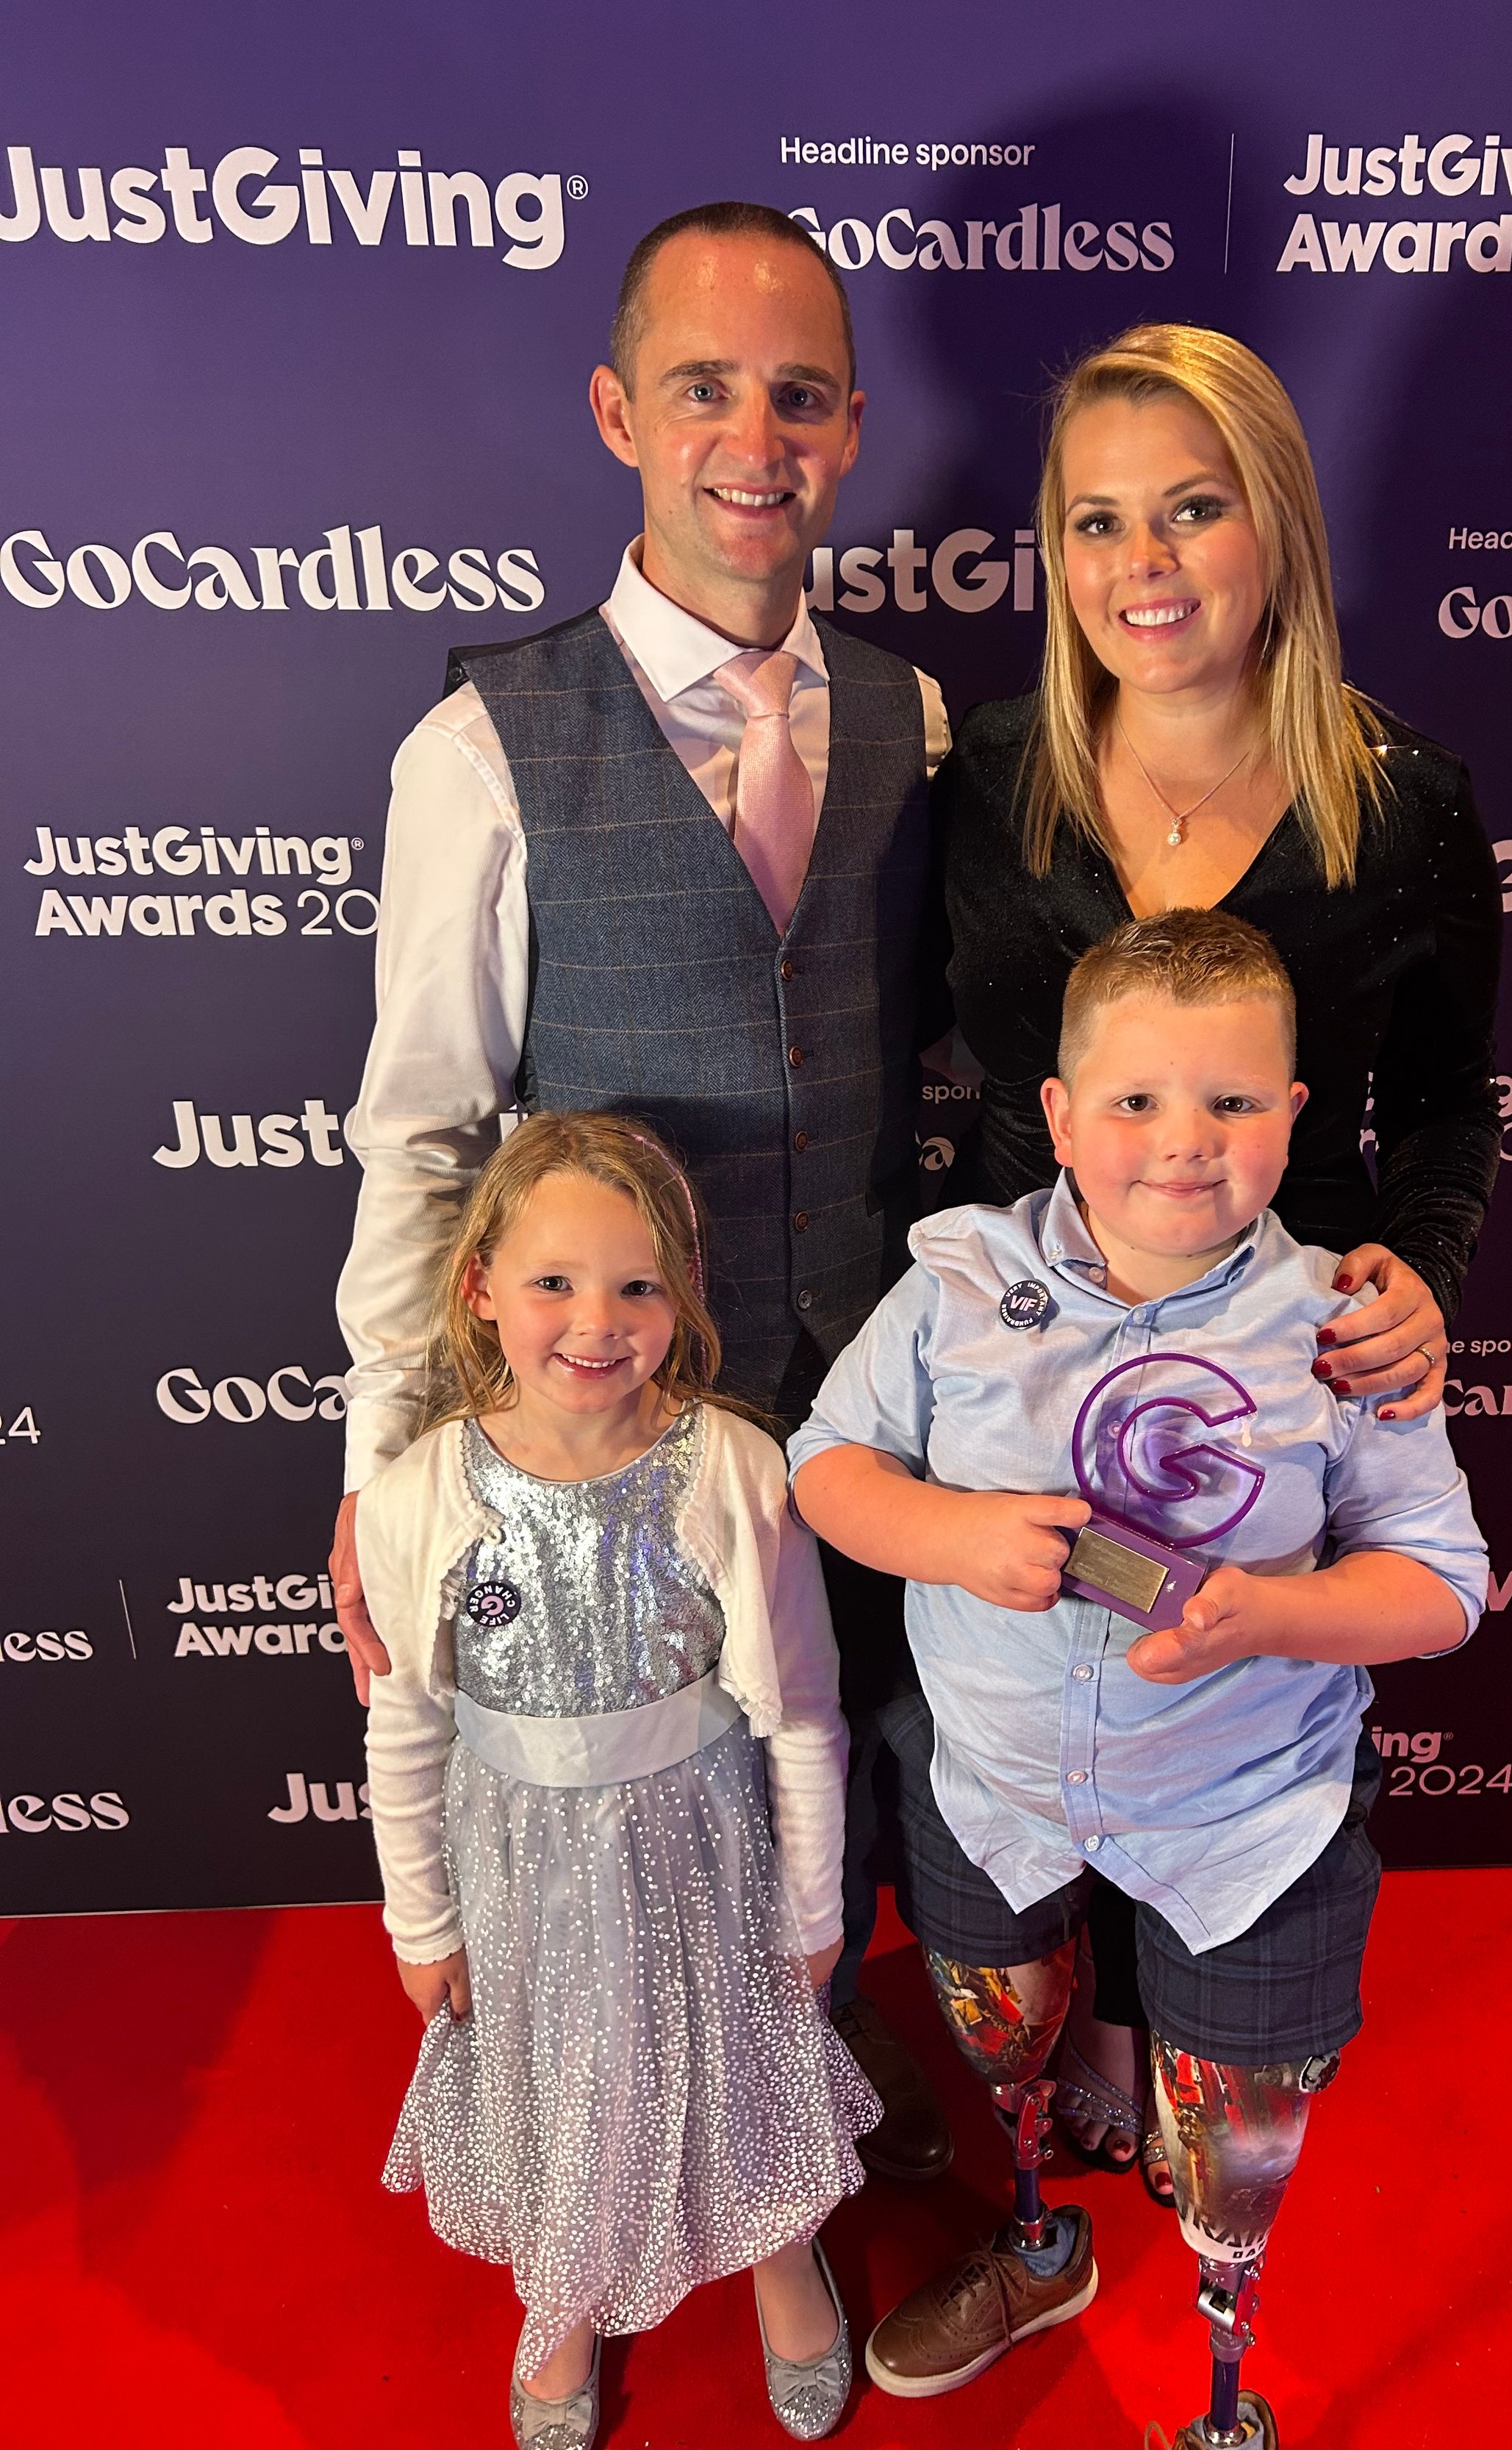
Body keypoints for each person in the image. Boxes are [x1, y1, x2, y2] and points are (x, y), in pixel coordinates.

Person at [331, 200, 952, 2176]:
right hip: (605, 1424)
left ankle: (808, 2136)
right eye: (701, 389)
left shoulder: (915, 716)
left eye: (792, 396)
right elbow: (427, 1136)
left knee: (823, 1781)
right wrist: (387, 1468)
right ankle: (621, 2153)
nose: (748, 439)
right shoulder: (480, 746)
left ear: (848, 427)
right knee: (620, 1824)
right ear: (618, 412)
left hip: (866, 1399)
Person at [789, 910, 1488, 2441]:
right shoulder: (955, 1290)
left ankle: (1225, 2395)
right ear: (1051, 1113)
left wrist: (1266, 1615)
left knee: (1234, 2163)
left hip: (1251, 1821)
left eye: (1233, 1101)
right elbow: (825, 1461)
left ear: (1297, 1115)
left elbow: (1440, 1587)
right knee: (1006, 2054)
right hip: (996, 1792)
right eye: (1133, 1101)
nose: (1184, 1144)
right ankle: (1038, 2232)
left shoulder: (1340, 1328)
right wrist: (954, 1532)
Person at [936, 321, 1503, 2190]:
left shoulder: (1400, 798)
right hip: (1020, 1369)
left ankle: (1204, 2044)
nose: (1141, 565)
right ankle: (1067, 2053)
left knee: (1219, 1717)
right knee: (1029, 1720)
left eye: (1190, 509)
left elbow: (1435, 1112)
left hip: (1269, 1390)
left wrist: (1415, 1262)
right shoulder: (988, 774)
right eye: (1095, 521)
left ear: (1274, 522)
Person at [361, 1111, 876, 2445]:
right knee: (561, 2080)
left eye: (639, 1284)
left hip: (700, 1848)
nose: (597, 1320)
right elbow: (406, 1721)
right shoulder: (425, 1491)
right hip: (520, 1871)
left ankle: (779, 2254)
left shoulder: (735, 1469)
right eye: (554, 1282)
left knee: (737, 2066)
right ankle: (567, 2294)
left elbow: (805, 1713)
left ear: (683, 1295)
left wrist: (814, 1907)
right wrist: (420, 1918)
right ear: (481, 1286)